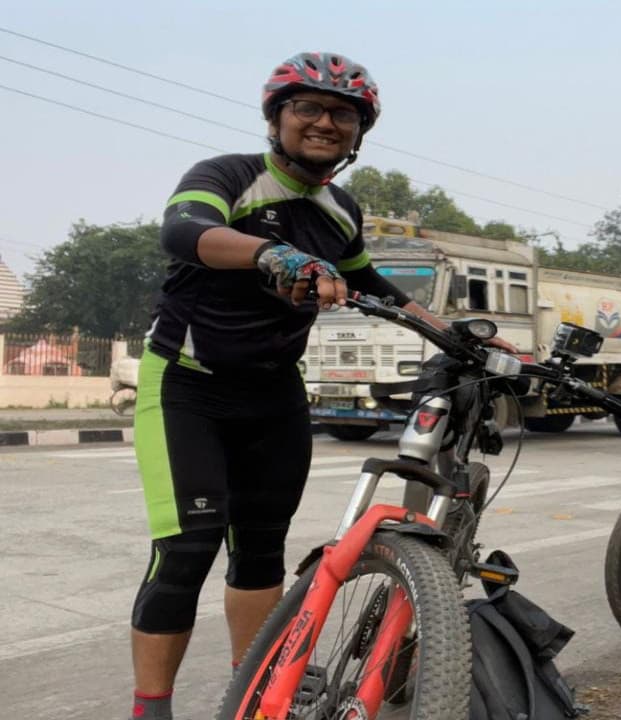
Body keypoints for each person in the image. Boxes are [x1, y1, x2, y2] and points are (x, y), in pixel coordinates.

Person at [127, 52, 514, 720]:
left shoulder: (339, 209)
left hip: (274, 394)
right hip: (187, 387)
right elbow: (184, 232)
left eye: (342, 113)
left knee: (260, 553)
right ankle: (149, 708)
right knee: (187, 550)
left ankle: (251, 693)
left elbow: (374, 287)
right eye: (307, 107)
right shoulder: (228, 177)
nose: (324, 122)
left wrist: (460, 334)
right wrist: (268, 252)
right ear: (277, 117)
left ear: (358, 133)